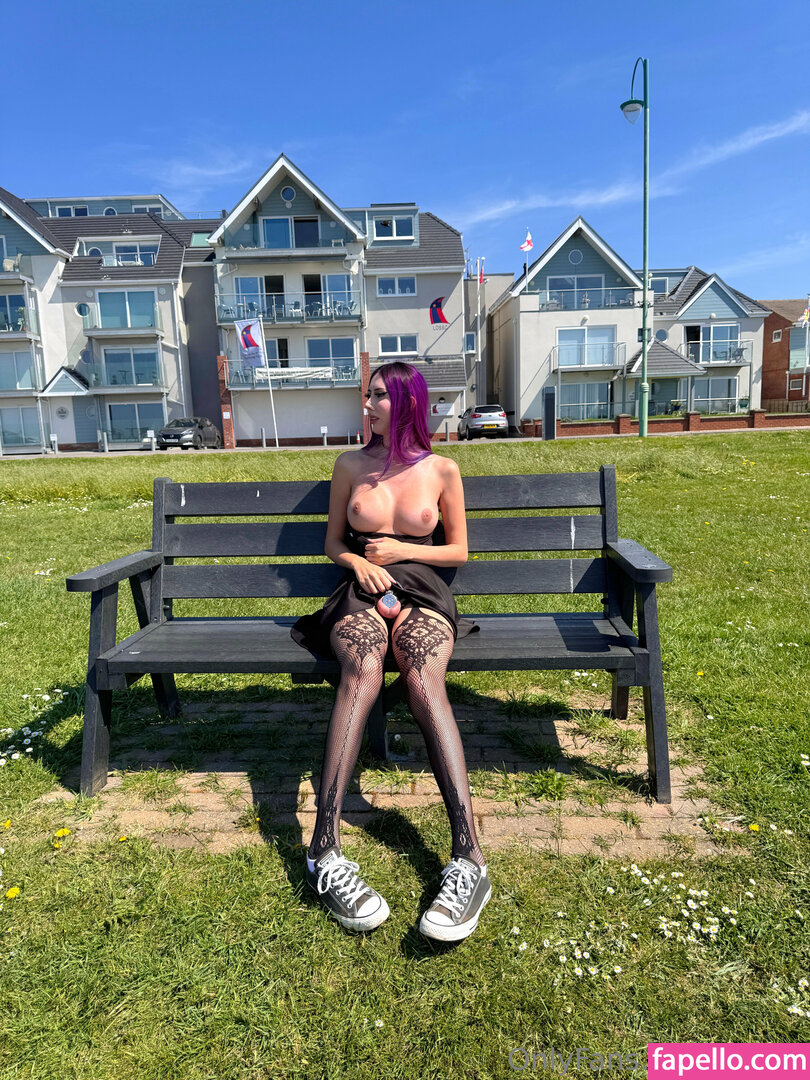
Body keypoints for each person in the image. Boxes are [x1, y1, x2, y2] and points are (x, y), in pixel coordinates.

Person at [290, 361, 490, 941]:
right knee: (361, 669)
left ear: (406, 401)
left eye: (378, 396)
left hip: (423, 591)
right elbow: (333, 541)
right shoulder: (349, 465)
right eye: (368, 395)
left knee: (424, 676)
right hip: (360, 590)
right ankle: (323, 848)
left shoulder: (442, 469)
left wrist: (403, 550)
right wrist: (358, 563)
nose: (369, 405)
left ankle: (469, 857)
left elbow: (457, 551)